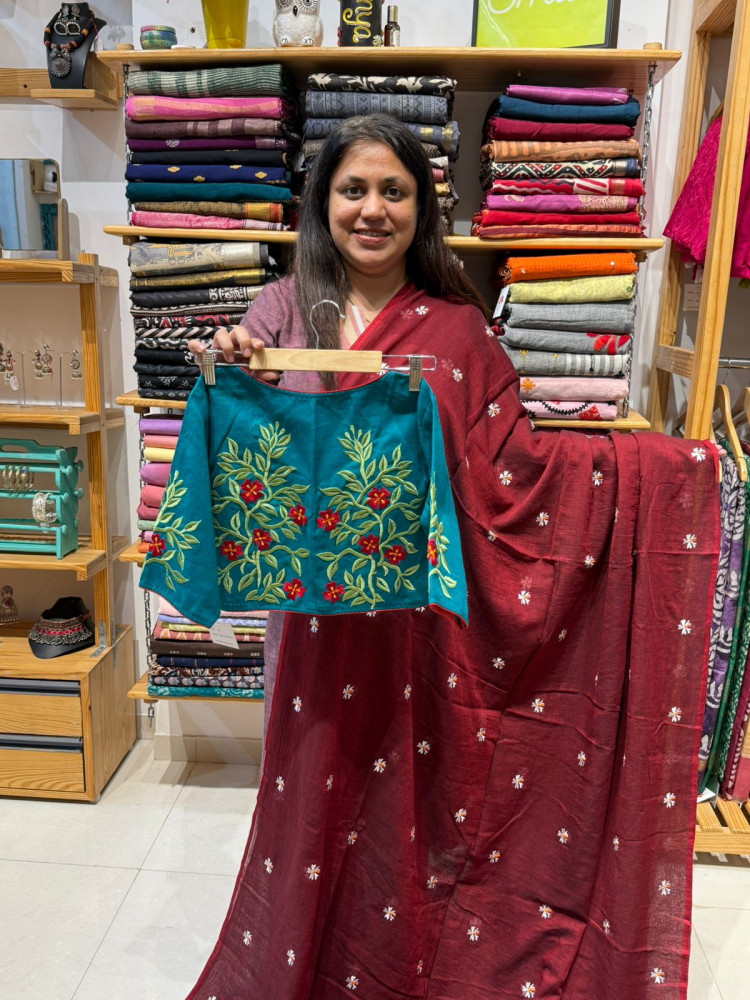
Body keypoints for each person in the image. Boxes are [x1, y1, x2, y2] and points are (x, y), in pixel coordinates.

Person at [186, 115, 718, 1000]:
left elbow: (517, 469)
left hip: (423, 619)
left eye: (393, 191)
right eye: (352, 189)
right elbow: (252, 452)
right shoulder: (280, 310)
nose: (371, 209)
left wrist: (663, 468)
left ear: (421, 209)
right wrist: (233, 365)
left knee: (411, 799)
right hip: (318, 619)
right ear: (322, 203)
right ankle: (309, 963)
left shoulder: (461, 327)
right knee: (319, 789)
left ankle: (391, 962)